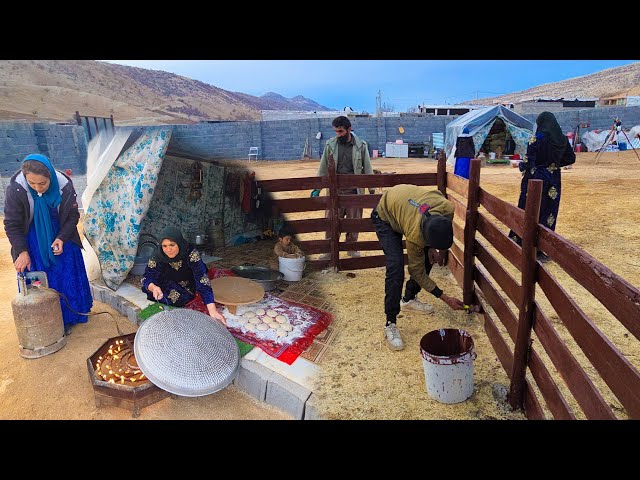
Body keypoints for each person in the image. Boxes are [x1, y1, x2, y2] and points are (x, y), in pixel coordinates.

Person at [3, 154, 93, 335]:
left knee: (65, 274)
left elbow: (72, 216)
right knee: (40, 277)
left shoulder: (63, 185)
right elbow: (12, 224)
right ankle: (44, 319)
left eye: (42, 184)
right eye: (32, 183)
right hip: (32, 238)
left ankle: (71, 317)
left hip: (61, 234)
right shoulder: (17, 189)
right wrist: (22, 251)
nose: (37, 188)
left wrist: (61, 238)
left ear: (50, 176)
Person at [371, 184, 465, 351]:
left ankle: (408, 299)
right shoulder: (415, 234)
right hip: (385, 215)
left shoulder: (447, 208)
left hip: (405, 207)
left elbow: (435, 195)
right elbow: (416, 271)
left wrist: (431, 249)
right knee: (396, 267)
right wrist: (444, 297)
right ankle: (390, 323)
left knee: (428, 259)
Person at [508, 111, 575, 263]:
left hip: (534, 178)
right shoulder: (562, 139)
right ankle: (541, 247)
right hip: (553, 180)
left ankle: (521, 240)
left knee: (528, 209)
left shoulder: (537, 139)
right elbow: (571, 158)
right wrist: (554, 166)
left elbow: (529, 160)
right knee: (548, 212)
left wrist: (522, 166)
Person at [312, 115, 375, 259]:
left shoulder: (361, 146)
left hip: (355, 190)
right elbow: (323, 168)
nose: (338, 134)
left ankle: (351, 248)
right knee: (332, 221)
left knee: (354, 222)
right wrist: (318, 187)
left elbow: (367, 168)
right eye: (336, 131)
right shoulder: (330, 145)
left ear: (349, 129)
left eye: (340, 131)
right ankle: (329, 250)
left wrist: (371, 189)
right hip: (335, 191)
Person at [141, 226, 226, 325]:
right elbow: (148, 275)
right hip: (166, 280)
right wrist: (153, 287)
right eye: (164, 246)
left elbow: (202, 279)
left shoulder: (190, 253)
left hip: (186, 282)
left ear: (179, 242)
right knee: (147, 286)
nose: (168, 249)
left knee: (180, 297)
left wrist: (213, 311)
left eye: (172, 245)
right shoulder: (158, 255)